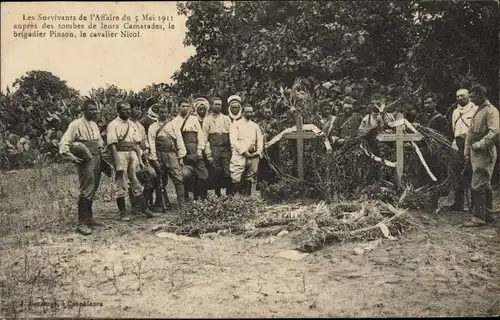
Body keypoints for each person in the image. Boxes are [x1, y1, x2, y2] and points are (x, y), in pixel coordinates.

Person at [59, 99, 104, 235]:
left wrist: (102, 154)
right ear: (83, 110)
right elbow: (64, 143)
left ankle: (89, 218)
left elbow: (99, 142)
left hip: (96, 158)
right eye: (91, 109)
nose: (94, 111)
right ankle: (81, 223)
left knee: (94, 187)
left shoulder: (95, 125)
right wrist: (72, 158)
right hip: (86, 160)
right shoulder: (76, 124)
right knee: (86, 188)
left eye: (95, 109)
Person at [107, 101, 152, 221]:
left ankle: (144, 209)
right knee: (121, 182)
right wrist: (117, 163)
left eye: (128, 109)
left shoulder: (132, 125)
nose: (127, 111)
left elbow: (136, 144)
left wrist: (140, 160)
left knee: (136, 181)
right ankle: (122, 212)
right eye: (124, 109)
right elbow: (112, 145)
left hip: (132, 153)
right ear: (118, 111)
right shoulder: (113, 124)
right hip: (120, 153)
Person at [464, 85, 499, 224]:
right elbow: (471, 132)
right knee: (485, 183)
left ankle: (478, 217)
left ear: (481, 95)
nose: (471, 100)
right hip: (476, 152)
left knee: (478, 184)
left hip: (484, 152)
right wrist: (467, 151)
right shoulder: (479, 110)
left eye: (472, 97)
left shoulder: (491, 111)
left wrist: (479, 145)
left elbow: (495, 131)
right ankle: (489, 214)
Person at [148, 104, 186, 210]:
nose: (163, 114)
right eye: (161, 112)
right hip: (159, 155)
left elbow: (179, 140)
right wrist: (154, 158)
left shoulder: (173, 125)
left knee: (178, 179)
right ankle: (164, 203)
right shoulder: (152, 127)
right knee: (161, 180)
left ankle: (181, 204)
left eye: (165, 112)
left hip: (171, 154)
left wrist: (181, 156)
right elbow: (151, 143)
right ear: (157, 113)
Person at [446, 89, 478, 211]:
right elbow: (455, 129)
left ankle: (474, 205)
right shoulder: (455, 112)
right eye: (457, 96)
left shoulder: (474, 109)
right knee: (458, 173)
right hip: (458, 145)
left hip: (471, 145)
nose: (460, 98)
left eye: (462, 96)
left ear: (468, 96)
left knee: (472, 174)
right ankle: (458, 203)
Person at [172, 99, 209, 200]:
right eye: (183, 106)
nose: (186, 108)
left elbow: (200, 135)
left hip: (195, 148)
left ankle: (201, 196)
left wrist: (200, 150)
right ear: (178, 107)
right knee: (186, 173)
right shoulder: (174, 121)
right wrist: (181, 155)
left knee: (202, 173)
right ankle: (186, 196)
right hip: (182, 149)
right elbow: (176, 139)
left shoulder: (194, 119)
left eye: (188, 106)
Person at [229, 104, 264, 196]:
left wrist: (258, 151)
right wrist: (244, 152)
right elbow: (233, 141)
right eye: (247, 111)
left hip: (252, 153)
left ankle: (247, 196)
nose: (249, 113)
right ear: (243, 112)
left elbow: (260, 139)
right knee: (236, 173)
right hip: (239, 153)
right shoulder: (236, 124)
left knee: (250, 173)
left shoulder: (255, 126)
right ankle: (235, 198)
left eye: (251, 112)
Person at [203, 97, 232, 196]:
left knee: (227, 170)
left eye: (220, 104)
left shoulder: (226, 118)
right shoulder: (207, 120)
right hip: (214, 148)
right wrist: (208, 153)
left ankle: (229, 194)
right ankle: (217, 193)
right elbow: (205, 138)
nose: (218, 106)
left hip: (225, 148)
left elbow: (231, 135)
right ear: (211, 105)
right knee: (216, 171)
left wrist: (231, 149)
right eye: (216, 104)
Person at [129, 99, 153, 217]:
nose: (138, 111)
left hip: (141, 153)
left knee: (146, 177)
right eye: (136, 109)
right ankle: (136, 206)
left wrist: (146, 149)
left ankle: (144, 205)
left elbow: (144, 139)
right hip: (131, 154)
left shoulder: (140, 125)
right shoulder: (126, 124)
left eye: (140, 109)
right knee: (133, 180)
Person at [257, 106, 280, 189]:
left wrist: (270, 130)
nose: (267, 114)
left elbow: (278, 133)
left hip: (273, 147)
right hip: (264, 147)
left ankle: (273, 183)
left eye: (269, 112)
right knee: (263, 164)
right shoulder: (261, 123)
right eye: (266, 112)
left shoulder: (274, 122)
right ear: (263, 113)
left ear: (272, 113)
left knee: (273, 163)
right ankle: (263, 184)